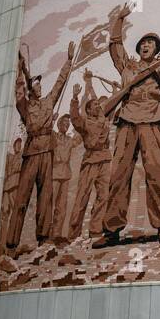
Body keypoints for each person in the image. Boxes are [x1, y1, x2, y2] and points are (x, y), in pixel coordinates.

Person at [96, 3, 160, 247]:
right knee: (118, 176)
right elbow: (114, 46)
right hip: (126, 121)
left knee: (157, 173)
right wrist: (120, 19)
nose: (146, 46)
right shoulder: (128, 66)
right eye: (143, 43)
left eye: (151, 44)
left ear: (157, 50)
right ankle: (111, 230)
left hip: (152, 121)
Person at [6, 40, 75, 249]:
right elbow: (18, 92)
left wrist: (69, 61)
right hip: (32, 151)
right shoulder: (24, 106)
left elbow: (60, 83)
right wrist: (20, 70)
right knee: (22, 197)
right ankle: (11, 240)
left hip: (48, 151)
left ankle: (44, 237)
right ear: (30, 89)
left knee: (46, 196)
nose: (40, 86)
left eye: (40, 84)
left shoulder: (47, 102)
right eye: (36, 84)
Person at [66, 73, 111, 239]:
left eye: (99, 104)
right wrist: (75, 98)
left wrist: (91, 83)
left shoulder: (104, 118)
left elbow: (96, 97)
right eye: (95, 105)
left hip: (105, 159)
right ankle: (73, 234)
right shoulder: (84, 122)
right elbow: (74, 117)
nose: (99, 106)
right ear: (89, 110)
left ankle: (95, 229)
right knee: (82, 196)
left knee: (104, 196)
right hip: (91, 160)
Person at [49, 113, 79, 241]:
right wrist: (51, 120)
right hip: (54, 173)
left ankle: (57, 233)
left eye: (68, 123)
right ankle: (47, 234)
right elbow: (46, 132)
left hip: (66, 174)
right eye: (64, 123)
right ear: (59, 124)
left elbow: (80, 138)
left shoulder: (69, 140)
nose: (67, 125)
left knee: (62, 206)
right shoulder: (54, 137)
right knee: (50, 206)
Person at [0, 136, 23, 256]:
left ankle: (11, 246)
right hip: (7, 187)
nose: (18, 146)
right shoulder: (9, 157)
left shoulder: (22, 157)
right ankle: (1, 245)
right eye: (16, 144)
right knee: (4, 215)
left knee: (15, 214)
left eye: (20, 144)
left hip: (16, 185)